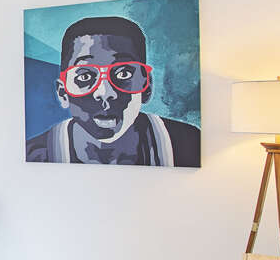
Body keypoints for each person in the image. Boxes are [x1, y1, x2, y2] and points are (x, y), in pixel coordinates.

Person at [25, 16, 200, 166]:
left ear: (147, 86)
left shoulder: (187, 144)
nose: (104, 92)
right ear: (63, 93)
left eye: (123, 74)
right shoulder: (36, 154)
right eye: (85, 76)